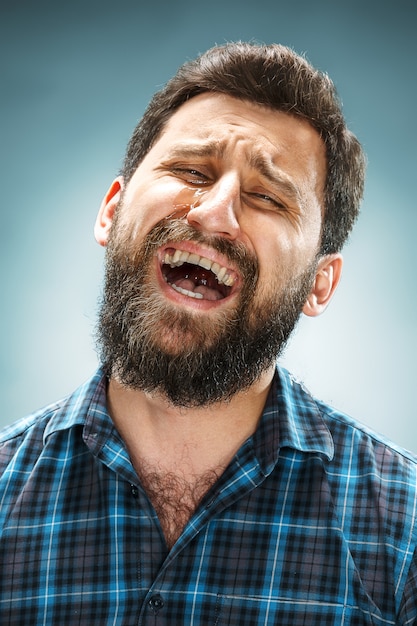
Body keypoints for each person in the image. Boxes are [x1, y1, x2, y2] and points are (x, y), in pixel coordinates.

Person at [0, 41, 416, 626]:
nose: (214, 212)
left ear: (320, 283)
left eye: (268, 197)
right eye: (191, 171)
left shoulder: (405, 531)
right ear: (112, 211)